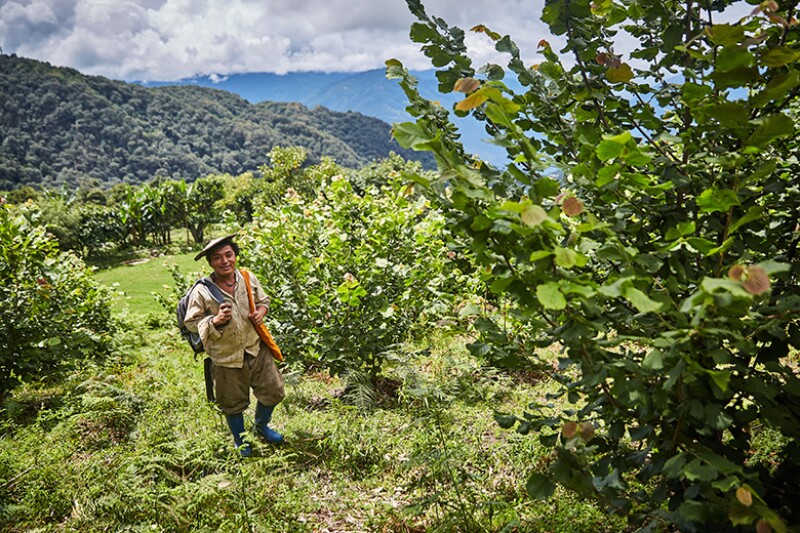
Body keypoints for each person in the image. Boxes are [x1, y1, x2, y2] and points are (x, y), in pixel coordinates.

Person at [183, 233, 285, 457]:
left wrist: (260, 312)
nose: (224, 261)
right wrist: (215, 321)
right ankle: (241, 440)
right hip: (225, 357)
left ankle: (262, 427)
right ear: (210, 262)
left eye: (229, 255)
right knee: (232, 403)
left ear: (235, 256)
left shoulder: (247, 278)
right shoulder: (202, 291)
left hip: (256, 349)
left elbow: (263, 301)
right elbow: (191, 322)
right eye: (217, 257)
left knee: (274, 391)